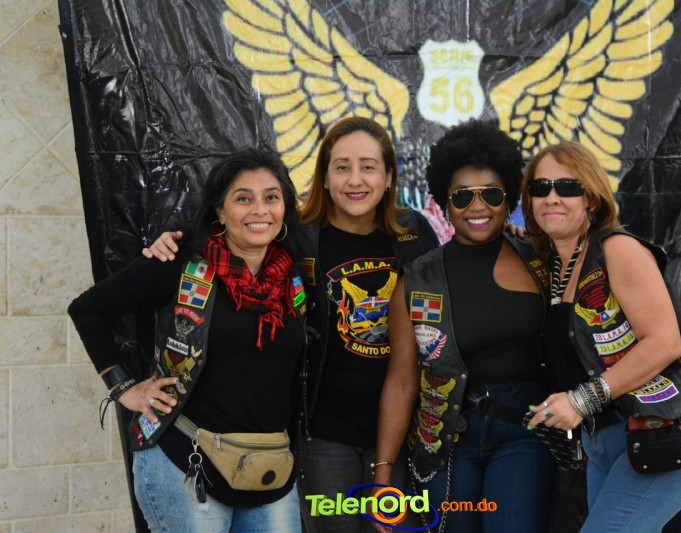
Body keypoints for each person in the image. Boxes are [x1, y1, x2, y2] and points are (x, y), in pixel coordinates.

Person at [143, 116, 440, 532]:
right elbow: (227, 237)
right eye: (342, 167)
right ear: (324, 177)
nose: (355, 180)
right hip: (323, 433)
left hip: (402, 430)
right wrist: (172, 240)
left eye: (369, 167)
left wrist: (516, 238)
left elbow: (454, 279)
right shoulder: (298, 233)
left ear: (390, 176)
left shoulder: (415, 233)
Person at [69, 148, 307, 532]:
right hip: (185, 464)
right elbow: (87, 310)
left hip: (270, 470)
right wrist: (123, 388)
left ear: (284, 209)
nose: (260, 210)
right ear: (220, 211)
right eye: (243, 198)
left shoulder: (295, 277)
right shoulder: (180, 264)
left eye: (271, 197)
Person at [521, 141, 681, 532]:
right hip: (606, 442)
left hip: (665, 429)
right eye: (540, 188)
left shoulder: (617, 248)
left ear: (591, 199)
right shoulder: (553, 265)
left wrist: (581, 400)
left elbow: (664, 343)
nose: (552, 197)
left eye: (568, 187)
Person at [373, 120, 557, 533]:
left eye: (491, 194)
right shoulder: (417, 280)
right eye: (462, 196)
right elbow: (401, 382)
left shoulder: (540, 260)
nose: (478, 206)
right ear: (444, 202)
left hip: (526, 433)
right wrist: (383, 473)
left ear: (508, 199)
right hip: (446, 442)